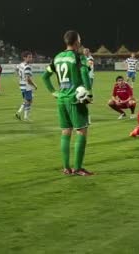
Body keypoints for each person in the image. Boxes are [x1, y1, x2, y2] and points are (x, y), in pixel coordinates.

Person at [41, 30, 94, 176]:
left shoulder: (57, 57)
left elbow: (45, 77)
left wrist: (54, 92)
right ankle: (78, 168)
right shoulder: (78, 57)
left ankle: (66, 168)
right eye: (80, 40)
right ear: (76, 41)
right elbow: (84, 73)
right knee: (81, 131)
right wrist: (89, 92)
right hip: (75, 99)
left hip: (62, 99)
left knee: (65, 131)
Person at [16, 51, 37, 121]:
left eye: (31, 57)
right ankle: (21, 113)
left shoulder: (20, 64)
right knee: (29, 101)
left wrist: (20, 78)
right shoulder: (27, 67)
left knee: (28, 100)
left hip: (22, 85)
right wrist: (34, 85)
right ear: (24, 58)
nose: (31, 58)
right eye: (29, 57)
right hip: (26, 86)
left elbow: (16, 70)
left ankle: (24, 116)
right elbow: (28, 79)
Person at [83, 47, 95, 124]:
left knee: (87, 92)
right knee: (84, 94)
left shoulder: (90, 58)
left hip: (89, 77)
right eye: (84, 51)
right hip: (84, 77)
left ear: (88, 52)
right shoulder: (83, 58)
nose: (85, 52)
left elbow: (89, 67)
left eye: (86, 51)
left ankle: (88, 118)